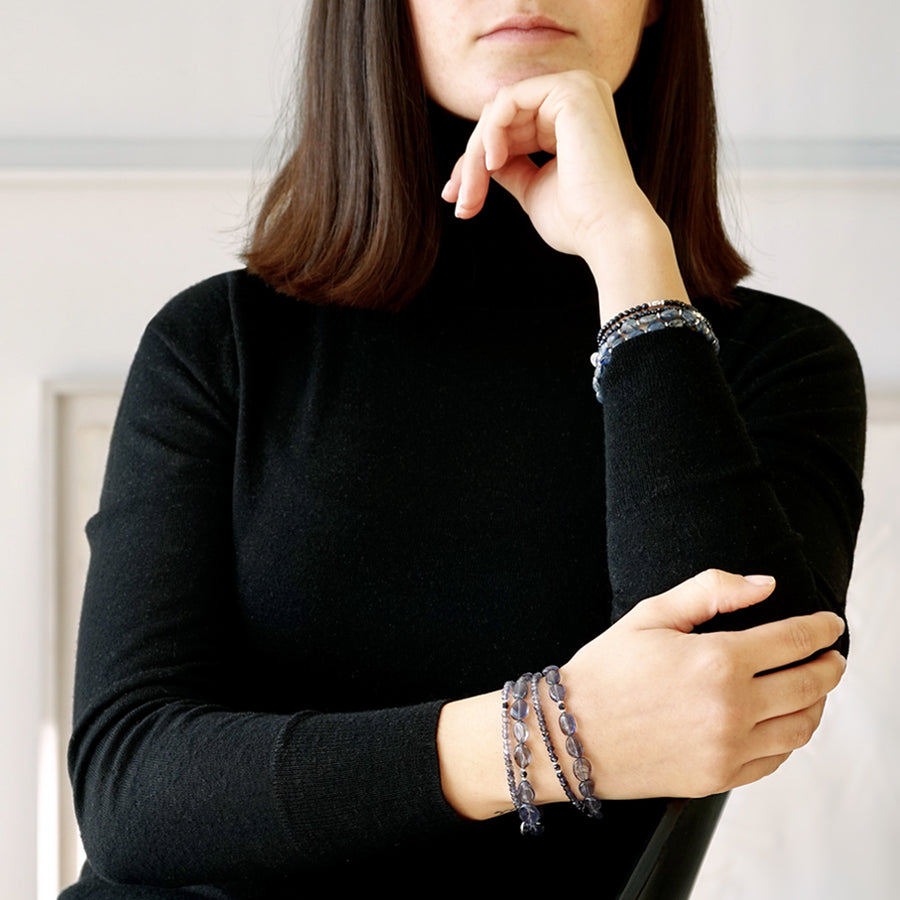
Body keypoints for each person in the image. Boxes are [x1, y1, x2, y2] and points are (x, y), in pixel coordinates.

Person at [61, 1, 865, 896]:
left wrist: (630, 258)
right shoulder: (221, 343)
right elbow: (129, 786)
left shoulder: (769, 362)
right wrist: (558, 735)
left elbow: (740, 696)